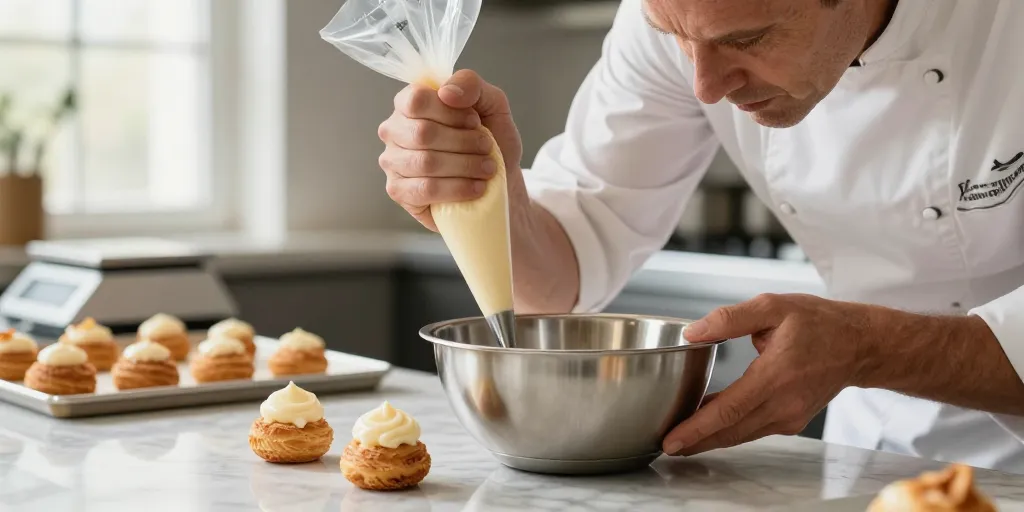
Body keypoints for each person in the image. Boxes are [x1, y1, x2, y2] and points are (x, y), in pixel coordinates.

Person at [375, 0, 1024, 473]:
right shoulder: (679, 14)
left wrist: (869, 349)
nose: (704, 85)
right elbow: (570, 259)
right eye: (676, 37)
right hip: (869, 459)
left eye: (751, 37)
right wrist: (492, 196)